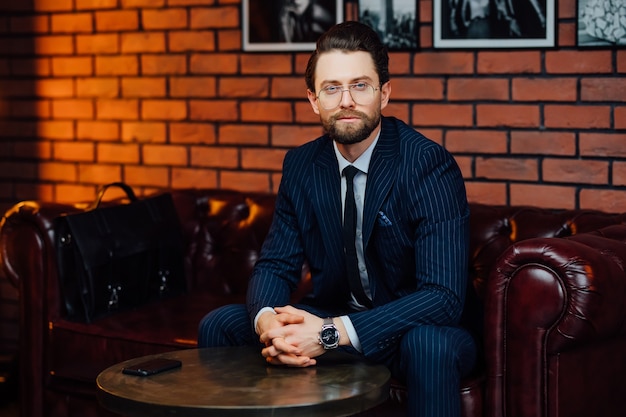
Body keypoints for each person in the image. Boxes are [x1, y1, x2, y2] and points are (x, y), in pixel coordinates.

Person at [198, 21, 476, 417]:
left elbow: (443, 298)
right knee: (221, 323)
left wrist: (329, 334)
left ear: (385, 92)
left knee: (428, 344)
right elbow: (276, 265)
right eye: (332, 88)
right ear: (314, 100)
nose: (346, 100)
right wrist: (269, 327)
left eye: (360, 85)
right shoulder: (301, 165)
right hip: (333, 318)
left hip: (412, 329)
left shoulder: (427, 164)